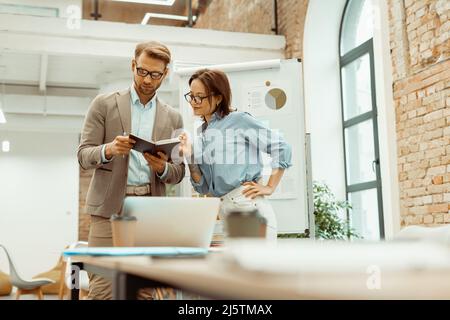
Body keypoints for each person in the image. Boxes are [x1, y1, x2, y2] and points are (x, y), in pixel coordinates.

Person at [77, 41, 185, 300]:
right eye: (142, 71)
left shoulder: (173, 117)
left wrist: (162, 169)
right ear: (133, 66)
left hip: (150, 209)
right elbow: (83, 155)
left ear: (166, 74)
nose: (148, 80)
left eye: (155, 74)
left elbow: (178, 172)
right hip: (108, 209)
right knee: (102, 290)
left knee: (143, 292)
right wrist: (109, 150)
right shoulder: (103, 104)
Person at [179, 69, 292, 240]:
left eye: (200, 97)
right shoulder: (203, 134)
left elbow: (282, 147)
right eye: (191, 96)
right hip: (227, 216)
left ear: (218, 97)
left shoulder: (239, 120)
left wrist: (269, 187)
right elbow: (203, 187)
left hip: (248, 208)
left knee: (256, 266)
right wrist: (189, 156)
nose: (194, 102)